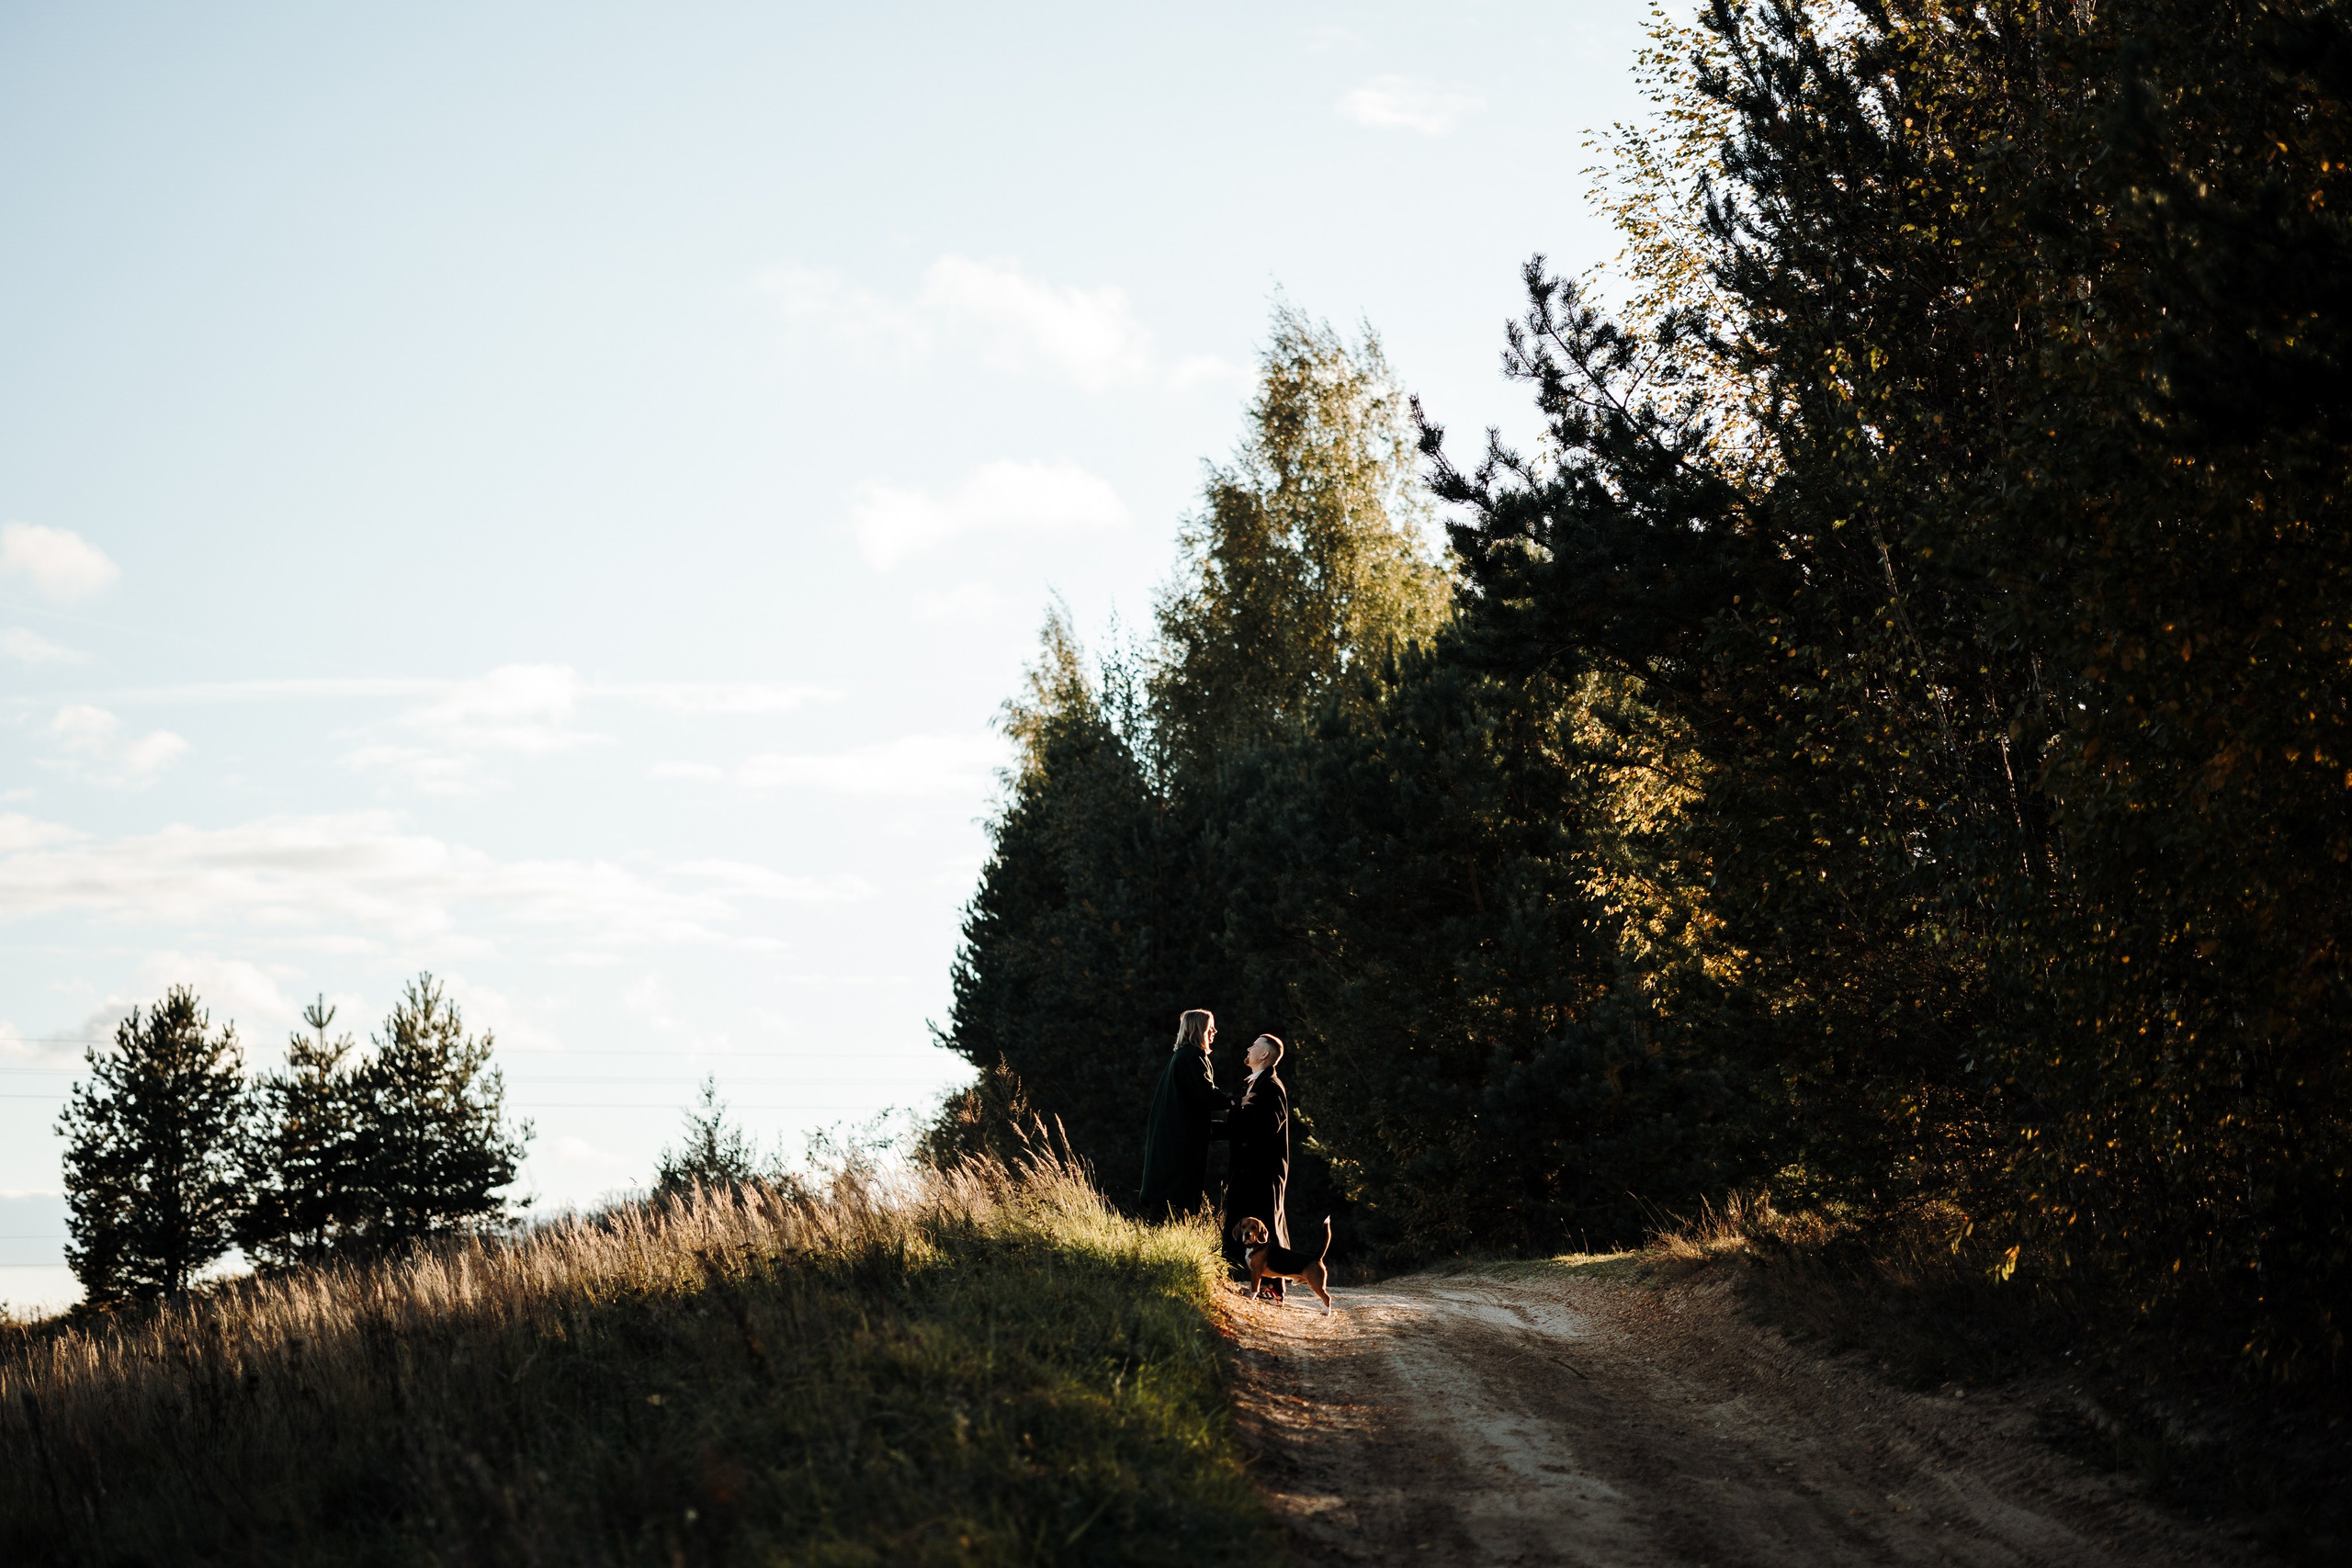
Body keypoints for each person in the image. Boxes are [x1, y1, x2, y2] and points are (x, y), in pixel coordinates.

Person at [1136, 1009, 1230, 1218]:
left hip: (1173, 1137)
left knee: (1168, 1195)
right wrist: (1233, 1103)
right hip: (1178, 1141)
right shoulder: (1190, 1057)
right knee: (1172, 1196)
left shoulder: (1185, 1056)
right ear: (1199, 1029)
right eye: (1210, 1027)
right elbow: (1204, 1093)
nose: (1215, 1031)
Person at [1225, 1032, 1291, 1300]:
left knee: (1267, 1225)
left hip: (1264, 1171)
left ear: (1264, 1055)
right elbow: (1239, 1126)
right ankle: (1235, 1277)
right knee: (1239, 1220)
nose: (1248, 1048)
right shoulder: (1250, 1084)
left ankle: (1274, 1288)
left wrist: (1238, 1112)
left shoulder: (1271, 1086)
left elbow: (1269, 1126)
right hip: (1246, 1169)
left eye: (1253, 1046)